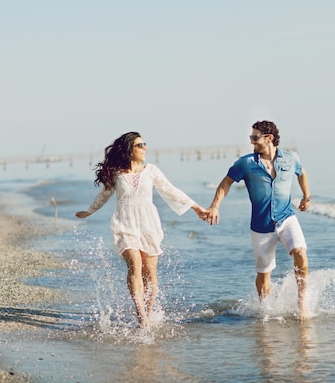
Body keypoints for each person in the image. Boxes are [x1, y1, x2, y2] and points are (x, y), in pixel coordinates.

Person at [76, 131, 206, 328]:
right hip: (125, 223)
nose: (145, 148)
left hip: (148, 224)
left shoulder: (151, 170)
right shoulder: (117, 174)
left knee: (150, 273)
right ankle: (141, 316)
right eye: (140, 145)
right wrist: (89, 211)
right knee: (134, 263)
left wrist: (196, 208)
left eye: (145, 144)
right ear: (130, 150)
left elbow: (170, 190)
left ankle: (149, 310)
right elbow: (104, 195)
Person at [204, 120, 312, 319]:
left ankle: (302, 304)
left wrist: (306, 196)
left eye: (255, 138)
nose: (252, 142)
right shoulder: (246, 163)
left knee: (300, 254)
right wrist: (215, 205)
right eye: (251, 138)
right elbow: (226, 182)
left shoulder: (291, 158)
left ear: (269, 138)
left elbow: (302, 172)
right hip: (261, 227)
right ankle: (265, 309)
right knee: (264, 275)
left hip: (287, 218)